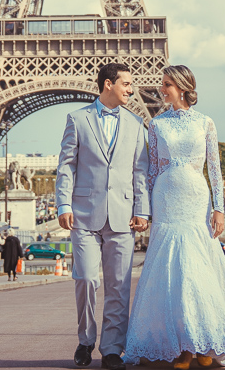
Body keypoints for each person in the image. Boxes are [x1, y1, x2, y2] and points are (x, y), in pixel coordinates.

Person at [125, 65, 225, 368]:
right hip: (167, 198)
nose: (162, 89)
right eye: (162, 83)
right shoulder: (156, 124)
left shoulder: (205, 123)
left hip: (196, 198)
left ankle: (202, 342)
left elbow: (214, 169)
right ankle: (182, 343)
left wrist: (219, 209)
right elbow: (153, 170)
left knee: (196, 267)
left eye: (168, 84)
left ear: (183, 87)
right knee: (172, 269)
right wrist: (147, 209)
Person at [56, 61, 149, 370]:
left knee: (119, 286)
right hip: (83, 214)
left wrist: (142, 210)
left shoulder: (137, 124)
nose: (132, 89)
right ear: (109, 84)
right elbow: (67, 164)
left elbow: (140, 171)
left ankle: (112, 349)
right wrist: (63, 205)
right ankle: (86, 339)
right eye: (126, 83)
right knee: (84, 278)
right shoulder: (77, 119)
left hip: (123, 216)